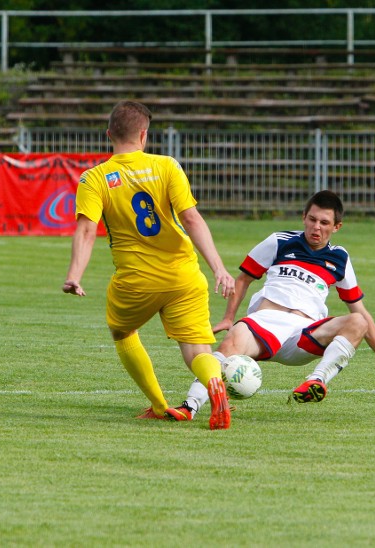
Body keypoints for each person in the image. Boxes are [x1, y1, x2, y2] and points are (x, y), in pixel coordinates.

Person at [62, 100, 236, 430]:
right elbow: (191, 218)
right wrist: (219, 268)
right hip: (184, 273)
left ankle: (158, 405)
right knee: (198, 349)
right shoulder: (168, 166)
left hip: (136, 280)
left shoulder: (94, 178)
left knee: (123, 331)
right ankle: (214, 384)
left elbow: (86, 230)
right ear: (144, 135)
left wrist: (74, 275)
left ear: (108, 134)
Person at [173, 190, 375, 420]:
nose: (316, 227)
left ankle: (317, 380)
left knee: (358, 320)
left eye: (324, 223)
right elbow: (244, 279)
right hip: (264, 323)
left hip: (304, 334)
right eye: (311, 219)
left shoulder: (340, 258)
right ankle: (189, 407)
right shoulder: (279, 241)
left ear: (336, 227)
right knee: (227, 348)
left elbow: (360, 311)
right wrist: (229, 317)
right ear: (303, 217)